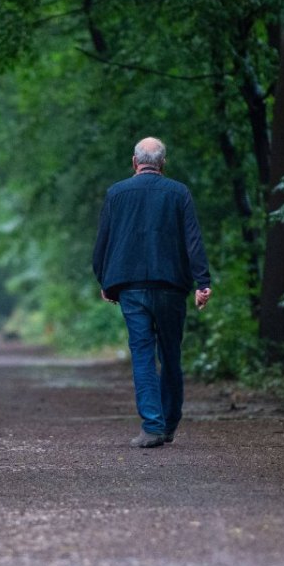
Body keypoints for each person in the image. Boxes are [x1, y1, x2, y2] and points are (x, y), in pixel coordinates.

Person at [92, 137, 212, 448]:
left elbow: (103, 242)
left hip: (130, 286)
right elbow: (193, 240)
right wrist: (203, 282)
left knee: (143, 355)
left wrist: (104, 280)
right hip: (171, 285)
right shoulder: (178, 192)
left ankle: (152, 427)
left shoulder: (116, 194)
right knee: (170, 354)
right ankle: (169, 423)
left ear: (134, 162)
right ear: (163, 163)